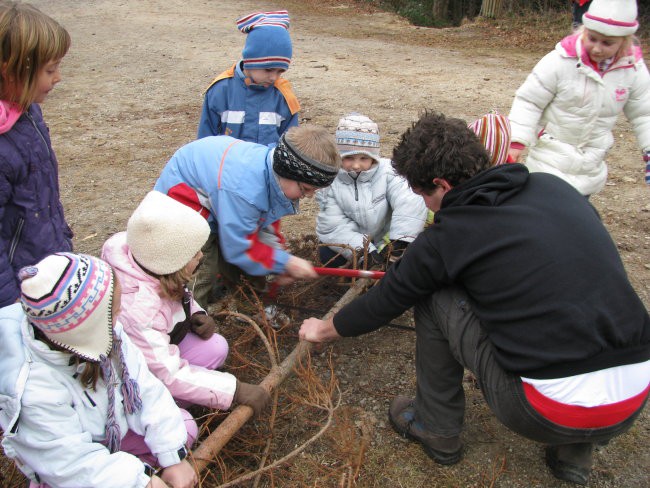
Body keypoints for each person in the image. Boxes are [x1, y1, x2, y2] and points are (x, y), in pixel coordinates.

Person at [299, 111, 650, 486]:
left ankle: (436, 426)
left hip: (544, 410)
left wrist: (326, 328)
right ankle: (576, 453)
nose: (427, 207)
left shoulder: (449, 236)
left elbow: (389, 298)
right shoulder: (555, 188)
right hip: (634, 395)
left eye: (422, 195)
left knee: (433, 295)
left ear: (441, 184)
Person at [0, 252, 198, 488]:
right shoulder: (32, 388)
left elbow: (145, 387)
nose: (119, 317)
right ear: (87, 329)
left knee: (183, 429)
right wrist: (139, 482)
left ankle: (134, 467)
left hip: (112, 429)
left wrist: (173, 457)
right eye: (114, 312)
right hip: (69, 466)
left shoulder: (107, 334)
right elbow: (68, 462)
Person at [102, 191, 270, 416]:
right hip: (136, 374)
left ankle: (191, 393)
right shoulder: (138, 311)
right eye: (193, 254)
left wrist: (194, 313)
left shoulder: (148, 258)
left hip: (158, 346)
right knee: (184, 424)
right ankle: (166, 407)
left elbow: (177, 295)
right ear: (172, 264)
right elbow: (166, 372)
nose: (201, 255)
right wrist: (235, 391)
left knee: (215, 347)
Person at [154, 125, 341, 308]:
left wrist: (280, 262)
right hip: (184, 201)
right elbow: (238, 248)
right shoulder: (245, 191)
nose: (309, 196)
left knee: (249, 256)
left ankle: (250, 305)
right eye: (306, 189)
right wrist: (286, 263)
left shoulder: (271, 176)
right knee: (202, 269)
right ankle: (187, 319)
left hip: (218, 197)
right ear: (287, 172)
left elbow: (264, 227)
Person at [507, 0, 650, 196]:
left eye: (607, 43)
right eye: (592, 38)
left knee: (575, 216)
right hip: (548, 161)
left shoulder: (632, 69)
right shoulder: (559, 61)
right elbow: (529, 101)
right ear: (583, 30)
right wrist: (516, 141)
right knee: (545, 215)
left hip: (589, 167)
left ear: (624, 41)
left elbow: (644, 113)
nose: (597, 48)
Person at [0, 2, 73, 308]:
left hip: (45, 261)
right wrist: (8, 303)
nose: (58, 78)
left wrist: (62, 243)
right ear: (12, 71)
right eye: (49, 69)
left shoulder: (29, 112)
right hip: (19, 286)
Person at [316, 113, 428, 269]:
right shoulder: (330, 183)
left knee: (415, 256)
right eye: (349, 158)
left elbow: (409, 200)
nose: (356, 165)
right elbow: (334, 227)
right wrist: (367, 253)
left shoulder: (389, 172)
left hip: (386, 240)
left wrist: (400, 242)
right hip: (355, 246)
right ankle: (346, 282)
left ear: (374, 158)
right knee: (327, 253)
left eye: (363, 158)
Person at [197, 10, 300, 145]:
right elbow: (204, 142)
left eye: (280, 71)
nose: (274, 77)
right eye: (268, 70)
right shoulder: (220, 91)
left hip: (267, 166)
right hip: (226, 165)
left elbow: (291, 147)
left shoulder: (284, 97)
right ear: (250, 61)